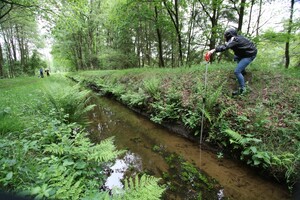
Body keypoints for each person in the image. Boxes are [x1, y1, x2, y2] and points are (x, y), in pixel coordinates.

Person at [206, 28, 257, 96]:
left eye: (225, 36)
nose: (224, 37)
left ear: (229, 35)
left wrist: (213, 50)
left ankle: (243, 89)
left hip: (249, 55)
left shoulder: (234, 39)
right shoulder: (236, 38)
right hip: (245, 53)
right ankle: (243, 72)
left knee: (237, 71)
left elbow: (225, 46)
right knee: (236, 57)